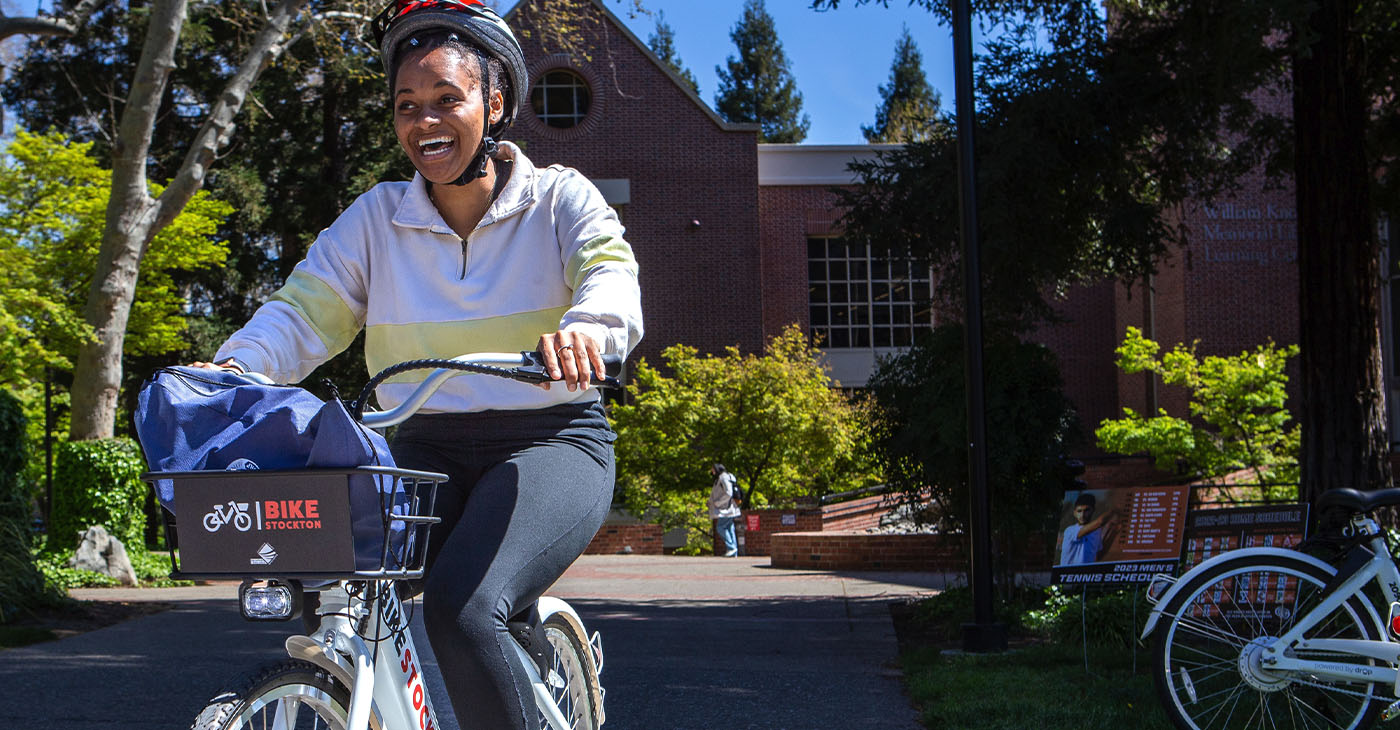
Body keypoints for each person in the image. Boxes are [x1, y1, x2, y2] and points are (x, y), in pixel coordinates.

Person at [190, 2, 642, 728]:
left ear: (494, 104)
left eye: (446, 100)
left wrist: (590, 327)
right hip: (423, 448)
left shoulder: (559, 198)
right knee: (342, 588)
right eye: (407, 105)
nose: (423, 120)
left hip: (550, 440)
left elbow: (609, 274)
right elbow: (304, 311)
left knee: (464, 610)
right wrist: (234, 370)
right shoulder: (376, 219)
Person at [1059, 492, 1112, 565]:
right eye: (1079, 511)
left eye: (1086, 510)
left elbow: (1099, 555)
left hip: (1086, 574)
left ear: (1093, 510)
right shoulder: (1070, 530)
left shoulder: (1097, 531)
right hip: (1068, 574)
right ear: (1074, 513)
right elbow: (1100, 521)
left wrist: (1114, 531)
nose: (1082, 515)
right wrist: (1113, 511)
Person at [708, 463, 742, 557]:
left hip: (726, 509)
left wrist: (717, 503)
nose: (712, 471)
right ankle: (733, 550)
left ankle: (731, 548)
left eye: (713, 469)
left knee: (720, 527)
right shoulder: (726, 477)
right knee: (729, 528)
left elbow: (728, 493)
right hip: (730, 508)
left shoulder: (723, 478)